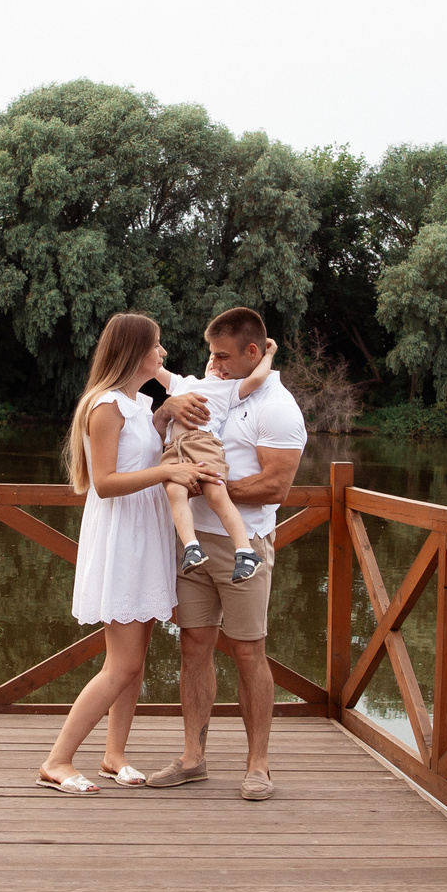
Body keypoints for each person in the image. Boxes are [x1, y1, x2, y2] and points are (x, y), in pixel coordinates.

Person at [35, 312, 208, 795]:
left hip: (146, 534)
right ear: (134, 352)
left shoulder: (136, 403)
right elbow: (107, 483)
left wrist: (164, 415)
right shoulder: (105, 406)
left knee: (136, 656)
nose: (164, 353)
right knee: (123, 664)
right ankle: (57, 760)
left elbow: (139, 449)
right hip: (122, 538)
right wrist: (167, 474)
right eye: (158, 345)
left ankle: (114, 755)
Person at [146, 307, 306, 801]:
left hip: (244, 546)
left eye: (222, 355)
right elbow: (157, 433)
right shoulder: (207, 386)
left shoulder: (276, 406)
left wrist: (209, 486)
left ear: (252, 353)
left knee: (248, 650)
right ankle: (193, 758)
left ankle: (258, 765)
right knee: (193, 646)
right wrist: (167, 411)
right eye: (210, 354)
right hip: (191, 541)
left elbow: (276, 486)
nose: (213, 363)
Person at [151, 342, 275, 583]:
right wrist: (150, 344)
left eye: (223, 364)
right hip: (174, 450)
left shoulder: (229, 389)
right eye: (213, 360)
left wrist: (268, 354)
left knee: (216, 494)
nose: (217, 366)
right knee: (175, 493)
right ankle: (192, 547)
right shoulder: (185, 383)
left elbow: (259, 378)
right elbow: (155, 369)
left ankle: (245, 551)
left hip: (203, 443)